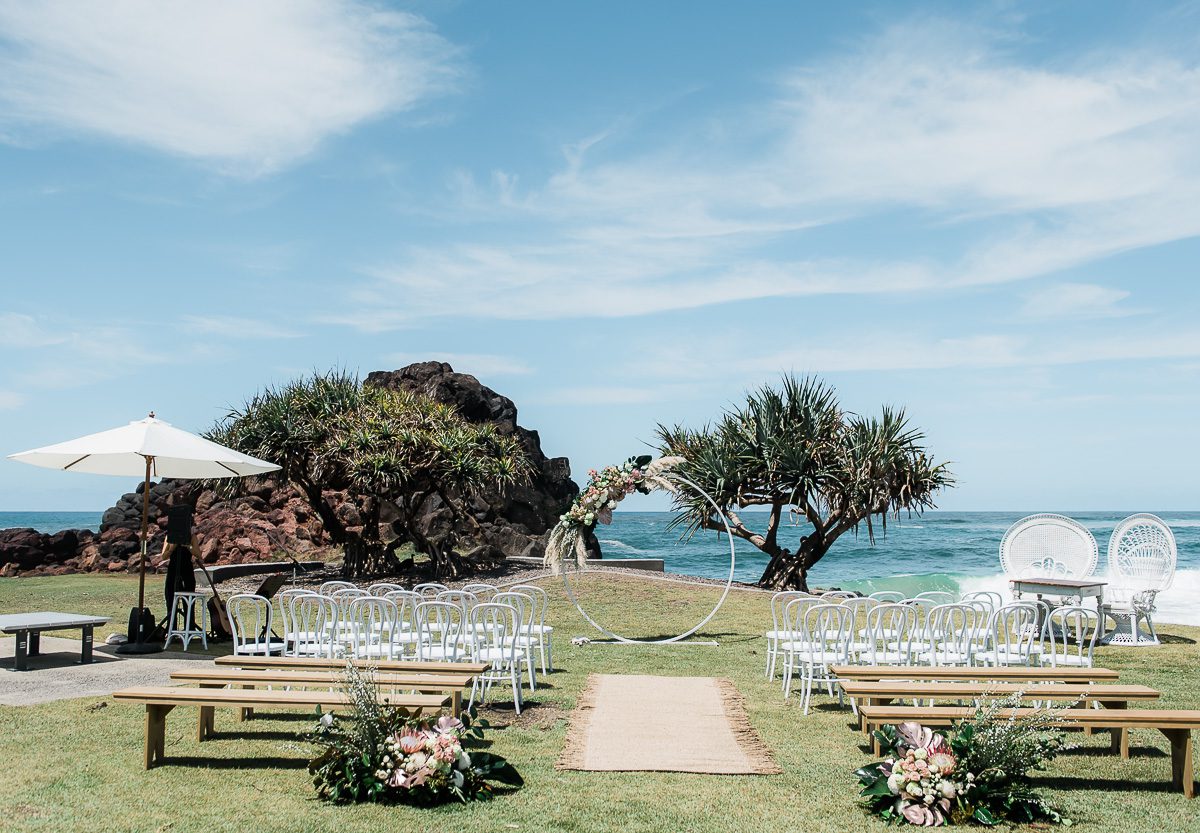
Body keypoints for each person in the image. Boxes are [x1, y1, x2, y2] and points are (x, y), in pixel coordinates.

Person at [161, 504, 199, 627]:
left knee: (188, 600)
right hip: (173, 569)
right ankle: (171, 627)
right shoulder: (169, 537)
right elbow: (163, 556)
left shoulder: (191, 537)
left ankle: (189, 626)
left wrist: (188, 546)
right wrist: (172, 548)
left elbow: (199, 554)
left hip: (187, 569)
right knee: (170, 598)